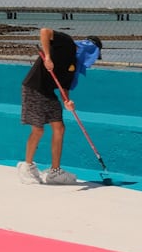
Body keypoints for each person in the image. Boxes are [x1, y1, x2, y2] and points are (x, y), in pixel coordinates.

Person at [17, 29, 103, 185]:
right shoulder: (67, 43)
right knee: (38, 129)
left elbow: (64, 88)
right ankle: (27, 166)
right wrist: (47, 57)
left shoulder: (74, 66)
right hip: (34, 87)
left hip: (48, 91)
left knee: (59, 127)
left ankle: (54, 172)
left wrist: (67, 102)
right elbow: (44, 32)